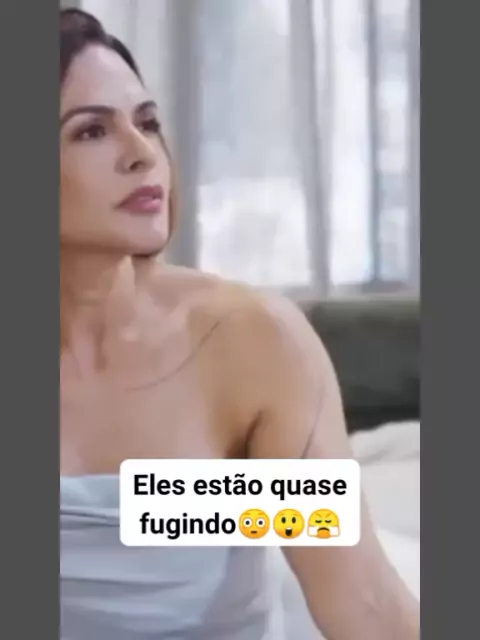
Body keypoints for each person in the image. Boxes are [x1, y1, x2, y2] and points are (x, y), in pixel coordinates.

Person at [60, 8, 420, 640]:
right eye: (92, 131)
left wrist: (196, 504)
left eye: (148, 122)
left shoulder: (252, 341)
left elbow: (364, 603)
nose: (143, 154)